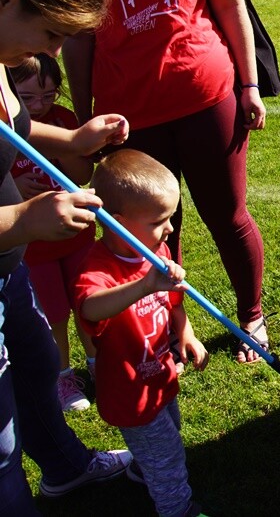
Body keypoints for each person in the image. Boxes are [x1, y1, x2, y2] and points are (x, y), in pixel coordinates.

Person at [59, 0, 269, 365]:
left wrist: (249, 84)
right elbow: (77, 35)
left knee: (227, 215)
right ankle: (179, 322)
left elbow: (229, 4)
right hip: (128, 110)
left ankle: (252, 317)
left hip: (205, 92)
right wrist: (84, 112)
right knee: (148, 225)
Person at [0, 0, 133, 516]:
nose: (53, 53)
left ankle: (65, 470)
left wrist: (74, 139)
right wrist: (25, 220)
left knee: (35, 372)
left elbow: (16, 129)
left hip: (7, 269)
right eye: (51, 32)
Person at [76, 149, 208, 517]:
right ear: (118, 223)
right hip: (129, 386)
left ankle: (140, 468)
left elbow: (174, 302)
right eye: (160, 220)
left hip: (159, 374)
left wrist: (186, 334)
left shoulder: (157, 249)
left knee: (170, 431)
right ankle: (177, 508)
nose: (169, 228)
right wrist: (144, 285)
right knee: (167, 457)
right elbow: (89, 306)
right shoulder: (100, 266)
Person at [10, 54, 98, 412]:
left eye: (48, 96)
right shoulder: (7, 130)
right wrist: (14, 183)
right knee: (54, 313)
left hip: (76, 236)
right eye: (28, 99)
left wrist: (66, 148)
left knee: (87, 303)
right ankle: (63, 375)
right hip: (35, 249)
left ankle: (97, 365)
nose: (40, 106)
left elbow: (82, 174)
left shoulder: (62, 122)